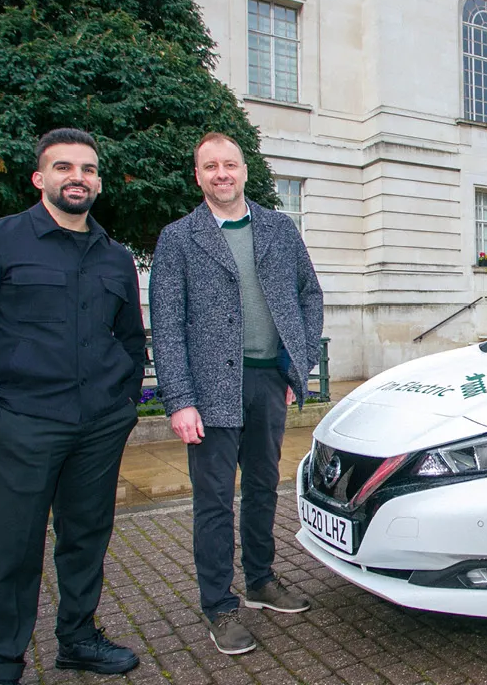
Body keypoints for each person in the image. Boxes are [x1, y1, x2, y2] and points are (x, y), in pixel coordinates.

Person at [0, 128, 147, 685]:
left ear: (98, 181)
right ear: (40, 178)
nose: (76, 177)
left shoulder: (114, 256)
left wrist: (124, 402)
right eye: (63, 167)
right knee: (12, 547)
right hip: (22, 425)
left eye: (87, 169)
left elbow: (130, 339)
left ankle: (78, 639)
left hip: (100, 426)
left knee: (85, 539)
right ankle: (2, 663)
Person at [149, 132, 323, 654]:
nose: (221, 174)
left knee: (265, 486)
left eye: (230, 165)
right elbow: (167, 322)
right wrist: (179, 399)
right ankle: (219, 606)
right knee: (214, 501)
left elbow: (309, 294)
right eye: (210, 167)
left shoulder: (278, 227)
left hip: (268, 381)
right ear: (198, 176)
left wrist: (297, 363)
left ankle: (261, 580)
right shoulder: (179, 237)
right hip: (208, 390)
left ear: (245, 170)